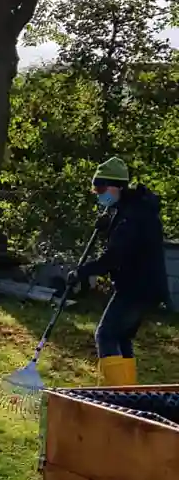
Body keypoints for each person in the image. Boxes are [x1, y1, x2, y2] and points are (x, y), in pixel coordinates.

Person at [67, 157, 168, 386]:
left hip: (137, 288)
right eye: (96, 189)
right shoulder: (133, 209)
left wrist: (82, 272)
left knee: (105, 334)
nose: (99, 193)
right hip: (145, 287)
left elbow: (114, 258)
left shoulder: (131, 217)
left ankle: (115, 396)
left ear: (118, 186)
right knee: (121, 337)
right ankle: (126, 393)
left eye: (102, 188)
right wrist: (107, 226)